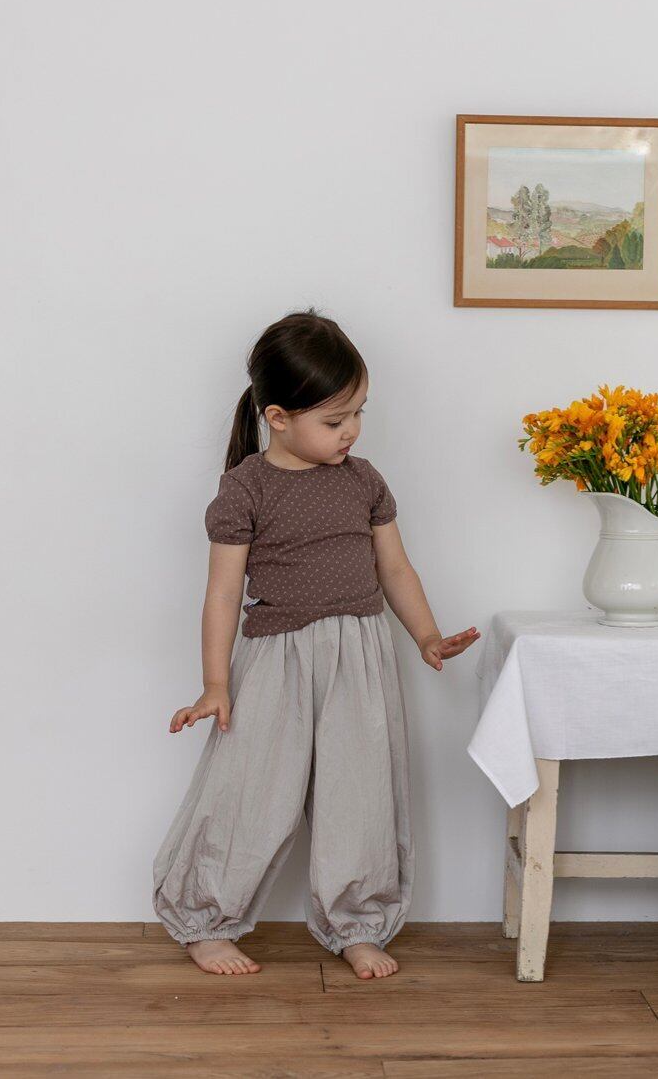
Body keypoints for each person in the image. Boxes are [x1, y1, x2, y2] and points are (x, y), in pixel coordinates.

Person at [152, 308, 480, 979]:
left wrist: (426, 634)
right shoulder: (246, 488)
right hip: (276, 656)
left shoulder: (364, 480)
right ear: (277, 417)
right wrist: (215, 683)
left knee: (359, 793)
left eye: (358, 413)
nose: (351, 430)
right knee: (250, 792)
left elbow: (395, 568)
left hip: (359, 655)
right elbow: (222, 593)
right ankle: (206, 919)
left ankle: (357, 922)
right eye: (335, 420)